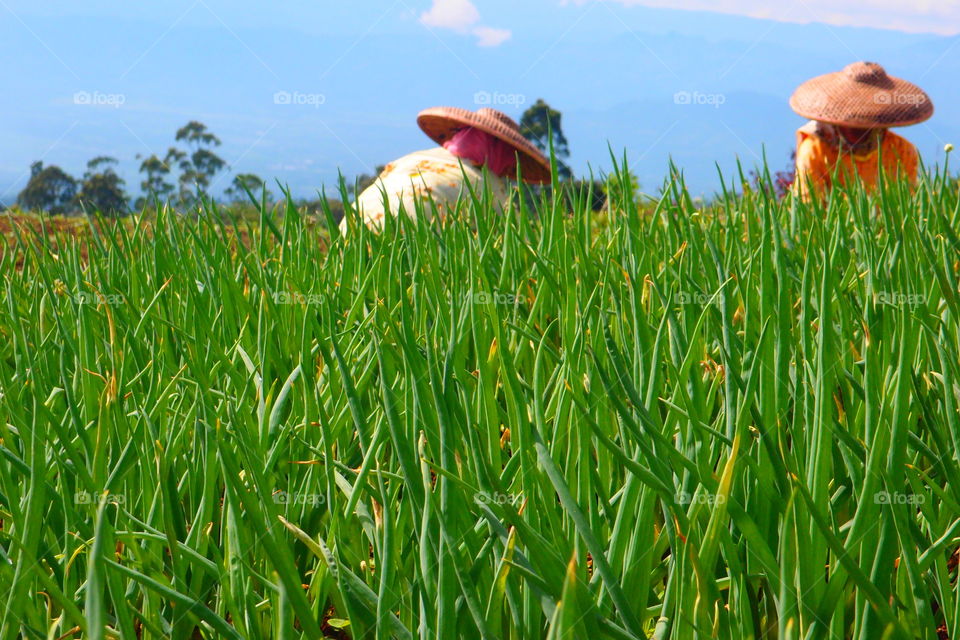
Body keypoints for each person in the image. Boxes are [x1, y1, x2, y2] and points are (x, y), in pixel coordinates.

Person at [341, 107, 551, 232]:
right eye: (510, 160)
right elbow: (516, 249)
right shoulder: (488, 185)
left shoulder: (413, 159)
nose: (508, 168)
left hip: (349, 236)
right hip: (413, 254)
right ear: (500, 149)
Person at [789, 61, 933, 200]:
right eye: (851, 123)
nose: (857, 130)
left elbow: (907, 202)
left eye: (865, 125)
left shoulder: (901, 150)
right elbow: (809, 207)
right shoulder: (816, 150)